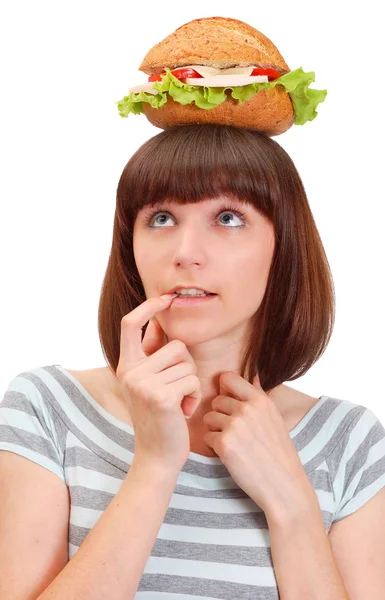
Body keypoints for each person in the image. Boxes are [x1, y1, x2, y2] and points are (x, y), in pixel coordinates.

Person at [1, 124, 385, 599]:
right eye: (161, 218)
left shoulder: (349, 441)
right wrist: (155, 466)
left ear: (282, 246)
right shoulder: (46, 407)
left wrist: (294, 510)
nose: (186, 254)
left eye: (228, 218)